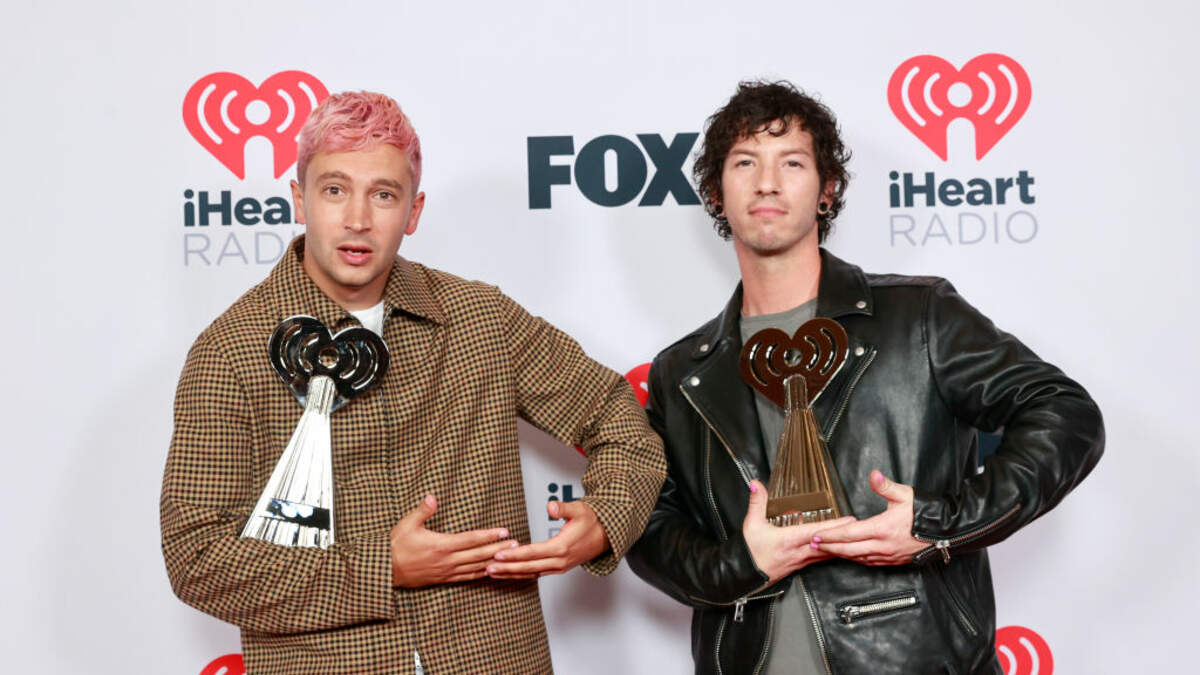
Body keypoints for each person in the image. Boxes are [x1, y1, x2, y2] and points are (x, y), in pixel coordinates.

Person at [161, 91, 666, 674]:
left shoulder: (480, 319)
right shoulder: (231, 351)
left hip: (493, 658)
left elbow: (618, 416)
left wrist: (605, 518)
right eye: (334, 190)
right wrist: (382, 569)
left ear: (414, 211)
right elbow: (196, 557)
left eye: (383, 194)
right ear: (299, 199)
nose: (357, 219)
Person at [626, 81, 1103, 674]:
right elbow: (648, 526)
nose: (767, 182)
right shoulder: (684, 372)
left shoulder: (918, 317)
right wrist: (742, 564)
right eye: (745, 163)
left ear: (826, 190)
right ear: (717, 195)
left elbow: (1065, 414)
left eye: (792, 163)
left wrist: (936, 525)